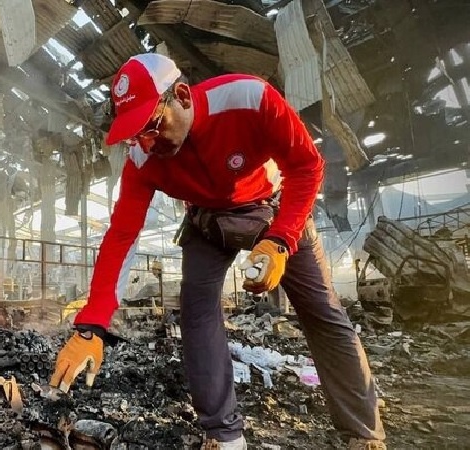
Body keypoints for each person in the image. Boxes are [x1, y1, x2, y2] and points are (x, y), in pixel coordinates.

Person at [48, 53, 386, 450]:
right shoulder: (142, 159)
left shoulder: (248, 98)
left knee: (323, 312)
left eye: (152, 126)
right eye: (134, 134)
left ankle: (363, 434)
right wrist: (91, 325)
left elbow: (306, 166)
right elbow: (122, 235)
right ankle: (224, 435)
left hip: (275, 209)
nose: (145, 143)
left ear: (182, 96)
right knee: (197, 312)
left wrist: (280, 241)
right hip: (208, 222)